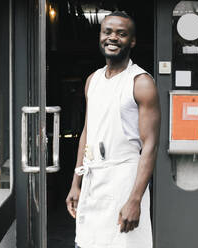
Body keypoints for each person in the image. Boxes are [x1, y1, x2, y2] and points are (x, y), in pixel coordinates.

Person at [66, 11, 160, 248]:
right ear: (100, 35)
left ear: (132, 41)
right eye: (107, 32)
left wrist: (135, 199)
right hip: (93, 179)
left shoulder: (141, 82)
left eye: (121, 33)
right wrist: (76, 184)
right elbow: (87, 133)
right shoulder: (93, 80)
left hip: (123, 182)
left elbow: (150, 145)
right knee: (86, 243)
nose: (113, 38)